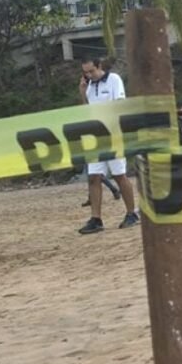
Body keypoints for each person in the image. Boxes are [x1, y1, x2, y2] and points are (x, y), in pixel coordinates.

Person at [77, 57, 139, 234]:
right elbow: (87, 109)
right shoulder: (89, 86)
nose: (89, 75)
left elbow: (119, 104)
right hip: (95, 136)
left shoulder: (114, 80)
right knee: (93, 177)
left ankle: (131, 213)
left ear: (99, 66)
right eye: (86, 72)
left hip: (113, 134)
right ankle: (96, 218)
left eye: (91, 71)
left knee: (119, 175)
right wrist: (83, 92)